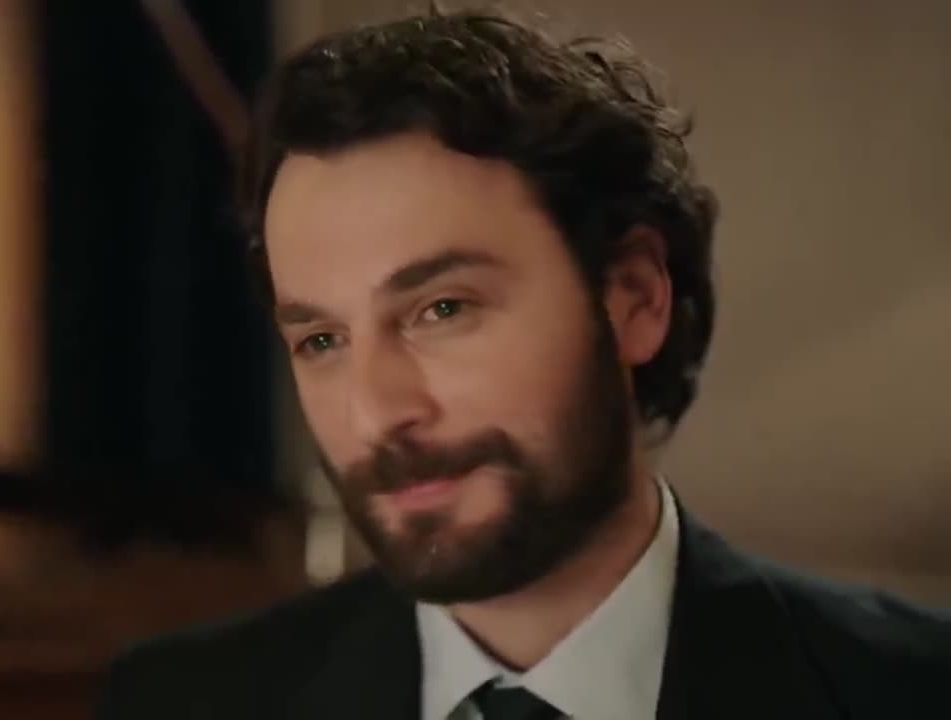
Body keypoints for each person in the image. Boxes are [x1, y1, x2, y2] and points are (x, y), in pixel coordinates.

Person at [94, 9, 951, 719]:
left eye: (442, 309)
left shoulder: (911, 690)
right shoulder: (181, 703)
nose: (376, 411)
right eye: (323, 340)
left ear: (634, 297)